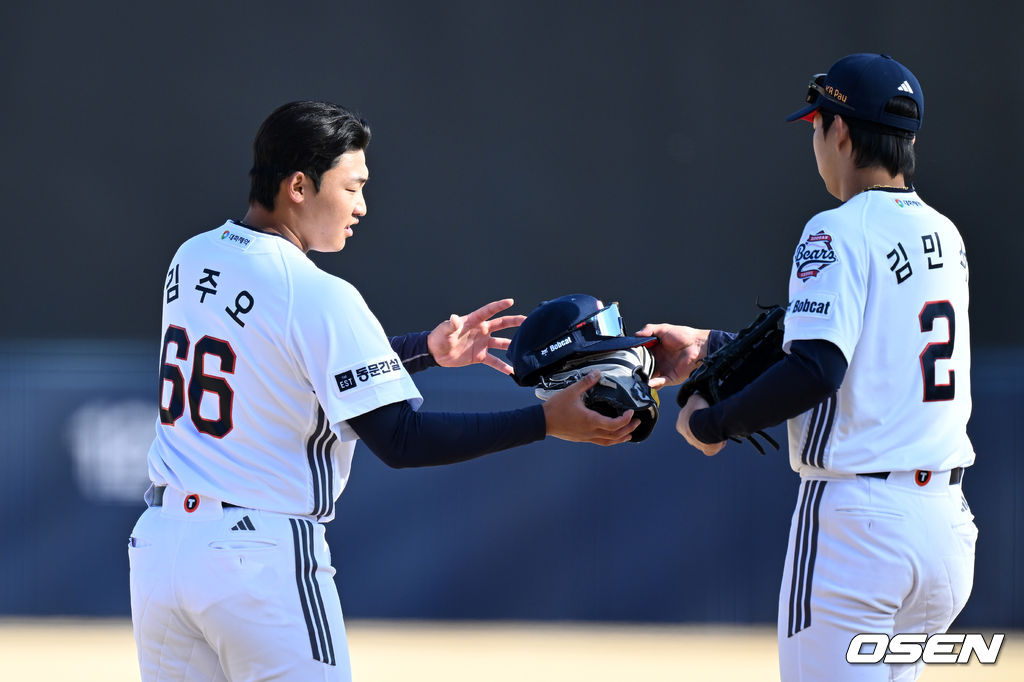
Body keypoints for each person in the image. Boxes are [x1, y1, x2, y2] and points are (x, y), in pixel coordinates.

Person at [128, 100, 639, 682]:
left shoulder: (192, 256)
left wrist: (426, 349)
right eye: (352, 187)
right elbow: (401, 439)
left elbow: (287, 360)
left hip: (160, 548)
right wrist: (544, 421)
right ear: (299, 186)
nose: (362, 206)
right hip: (257, 559)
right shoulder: (318, 292)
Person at [639, 54, 977, 681]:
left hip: (860, 528)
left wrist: (712, 423)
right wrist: (710, 346)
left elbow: (817, 369)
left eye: (816, 125)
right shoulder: (945, 235)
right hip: (945, 529)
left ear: (839, 129)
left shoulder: (837, 229)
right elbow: (862, 350)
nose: (815, 141)